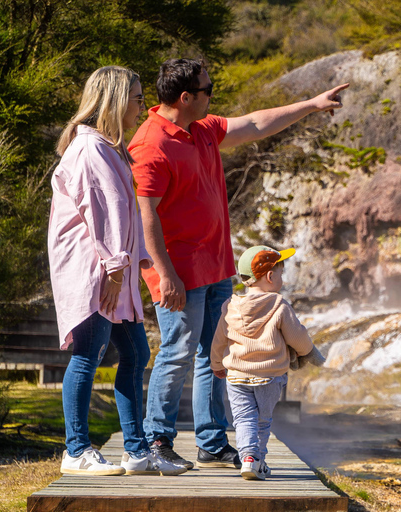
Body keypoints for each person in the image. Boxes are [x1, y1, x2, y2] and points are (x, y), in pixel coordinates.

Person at [128, 58, 347, 469]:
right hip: (179, 274)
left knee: (219, 356)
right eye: (209, 90)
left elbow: (258, 123)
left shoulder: (203, 128)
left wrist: (312, 105)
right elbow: (146, 216)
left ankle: (211, 441)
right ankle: (157, 442)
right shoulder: (151, 143)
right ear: (186, 97)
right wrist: (166, 275)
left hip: (216, 269)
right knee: (177, 353)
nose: (214, 96)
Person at [49, 66, 187, 476]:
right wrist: (113, 270)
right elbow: (102, 212)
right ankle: (76, 450)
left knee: (136, 352)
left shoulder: (107, 148)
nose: (142, 103)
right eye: (136, 96)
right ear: (112, 100)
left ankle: (136, 451)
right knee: (88, 352)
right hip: (95, 272)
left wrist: (138, 256)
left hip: (115, 271)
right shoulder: (90, 150)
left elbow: (123, 212)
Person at [210, 246, 325, 480]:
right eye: (281, 274)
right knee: (262, 420)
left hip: (236, 376)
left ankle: (248, 458)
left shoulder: (230, 306)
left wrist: (216, 364)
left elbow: (219, 340)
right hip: (269, 377)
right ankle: (257, 461)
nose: (282, 279)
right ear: (270, 277)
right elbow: (297, 337)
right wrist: (309, 352)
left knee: (243, 419)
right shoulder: (279, 305)